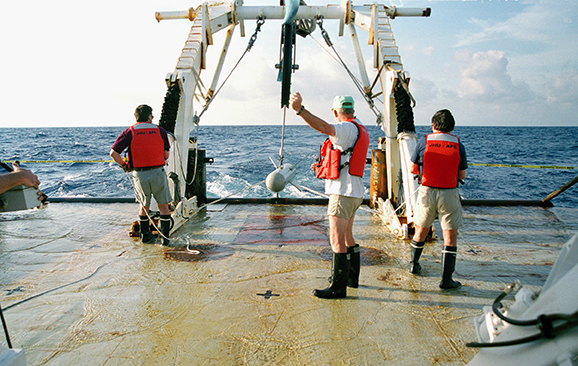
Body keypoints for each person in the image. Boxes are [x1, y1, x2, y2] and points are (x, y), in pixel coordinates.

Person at [289, 92, 370, 299]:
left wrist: (300, 110)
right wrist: (322, 166)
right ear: (353, 110)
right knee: (347, 237)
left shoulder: (345, 128)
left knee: (336, 239)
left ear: (336, 112)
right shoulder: (358, 127)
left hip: (342, 193)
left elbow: (324, 128)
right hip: (354, 192)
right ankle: (351, 280)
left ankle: (338, 287)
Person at [409, 109, 467, 290]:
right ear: (452, 127)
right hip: (449, 192)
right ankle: (446, 280)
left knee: (421, 230)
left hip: (427, 191)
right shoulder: (458, 144)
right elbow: (462, 174)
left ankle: (413, 264)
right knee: (450, 235)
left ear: (433, 125)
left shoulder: (423, 141)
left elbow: (413, 168)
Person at [110, 104, 172, 245]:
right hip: (158, 172)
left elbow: (113, 153)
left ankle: (145, 236)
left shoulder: (129, 132)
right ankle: (165, 240)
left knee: (144, 206)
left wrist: (124, 165)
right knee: (163, 206)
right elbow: (166, 154)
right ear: (149, 117)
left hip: (139, 174)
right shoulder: (160, 131)